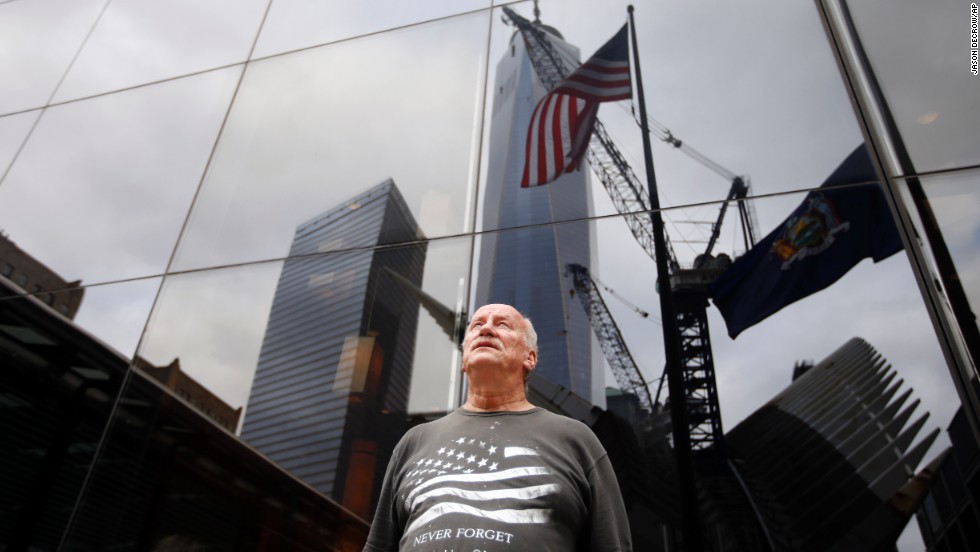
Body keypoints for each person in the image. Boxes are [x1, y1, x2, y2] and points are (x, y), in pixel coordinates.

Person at [363, 304, 633, 552]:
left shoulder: (576, 440)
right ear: (464, 357)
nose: (487, 329)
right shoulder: (415, 441)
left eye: (502, 325)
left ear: (530, 358)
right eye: (477, 325)